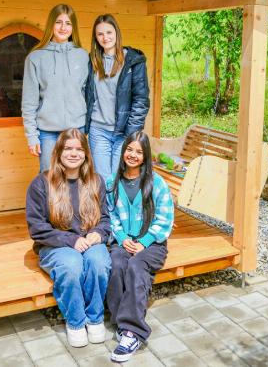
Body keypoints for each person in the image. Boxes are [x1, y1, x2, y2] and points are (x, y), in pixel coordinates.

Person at [25, 128, 111, 348]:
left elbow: (106, 219)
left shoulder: (96, 181)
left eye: (79, 149)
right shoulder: (41, 183)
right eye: (68, 148)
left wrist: (98, 233)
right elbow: (37, 228)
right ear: (58, 151)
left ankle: (95, 318)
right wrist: (70, 240)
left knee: (99, 263)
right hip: (55, 244)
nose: (73, 153)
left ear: (86, 154)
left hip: (88, 240)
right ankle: (75, 322)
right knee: (72, 266)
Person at [106, 131, 174, 363]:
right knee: (116, 263)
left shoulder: (157, 183)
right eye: (129, 149)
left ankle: (133, 332)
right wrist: (122, 236)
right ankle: (120, 321)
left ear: (145, 156)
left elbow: (164, 219)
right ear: (123, 151)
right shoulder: (112, 183)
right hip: (124, 240)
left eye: (139, 151)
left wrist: (144, 243)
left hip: (152, 243)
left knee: (135, 266)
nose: (133, 155)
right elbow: (111, 215)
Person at [22, 4, 89, 172]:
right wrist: (32, 136)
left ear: (73, 28)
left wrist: (87, 130)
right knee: (49, 180)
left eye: (68, 23)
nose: (63, 27)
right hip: (47, 133)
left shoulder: (83, 56)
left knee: (77, 179)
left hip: (77, 130)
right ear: (51, 24)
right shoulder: (35, 57)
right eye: (59, 22)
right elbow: (29, 102)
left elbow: (88, 95)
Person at [85, 15, 150, 179]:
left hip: (123, 132)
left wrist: (131, 133)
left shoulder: (134, 61)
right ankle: (104, 206)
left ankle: (118, 206)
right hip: (98, 130)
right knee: (103, 180)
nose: (105, 37)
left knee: (118, 179)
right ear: (95, 37)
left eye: (109, 32)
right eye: (100, 34)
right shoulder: (91, 61)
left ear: (117, 33)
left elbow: (141, 100)